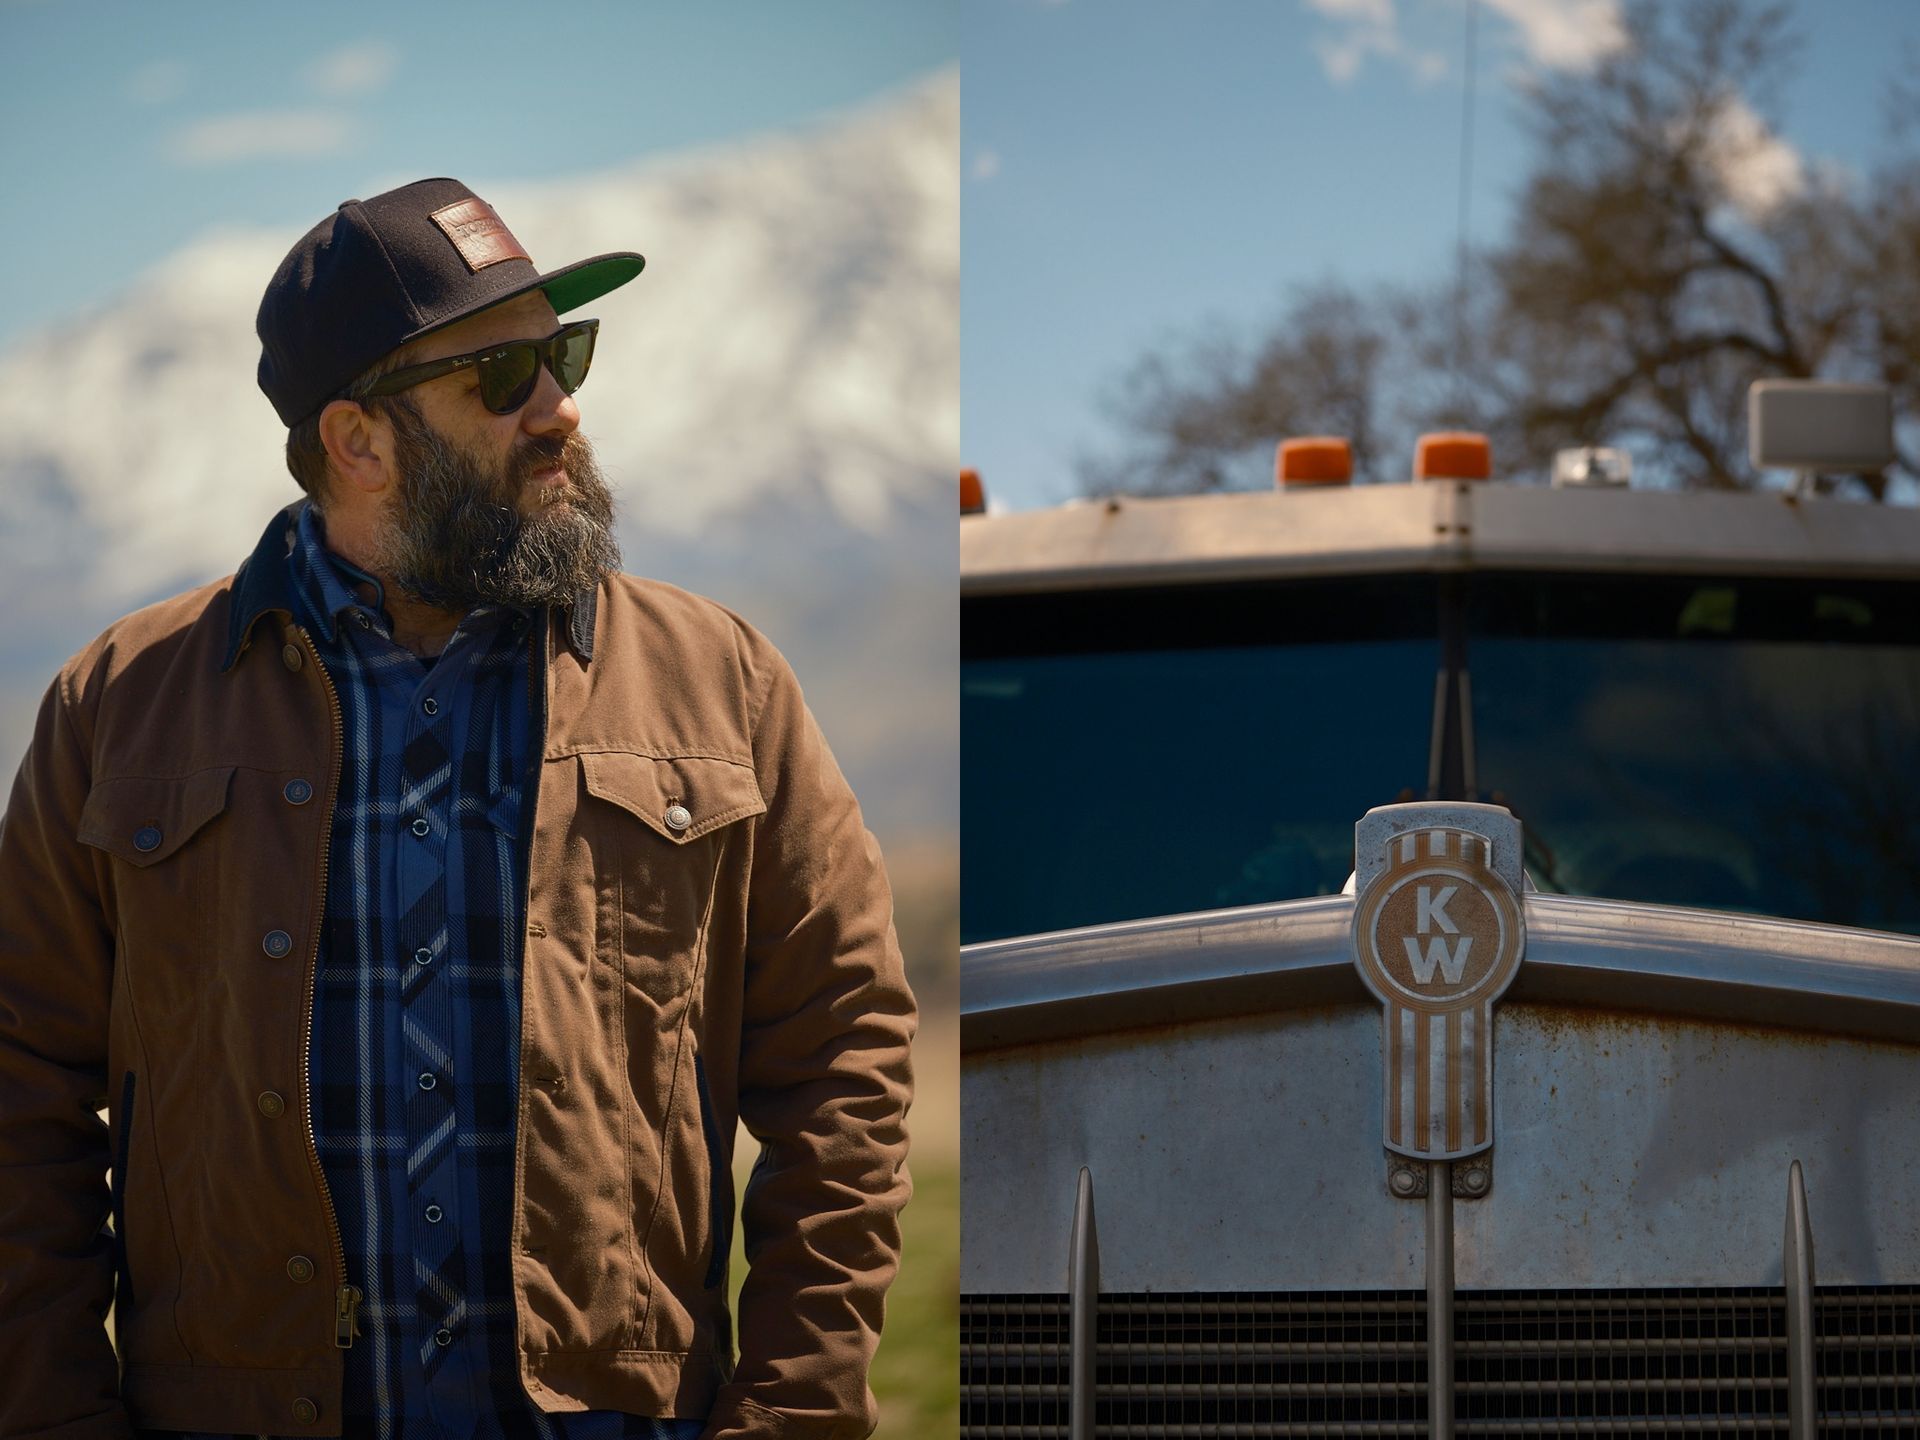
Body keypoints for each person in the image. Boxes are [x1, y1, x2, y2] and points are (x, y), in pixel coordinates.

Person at [0, 177, 915, 1440]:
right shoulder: (121, 705)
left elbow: (845, 1062)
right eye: (504, 376)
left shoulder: (725, 682)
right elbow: (19, 1092)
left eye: (563, 352)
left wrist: (797, 1417)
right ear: (359, 441)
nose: (560, 405)